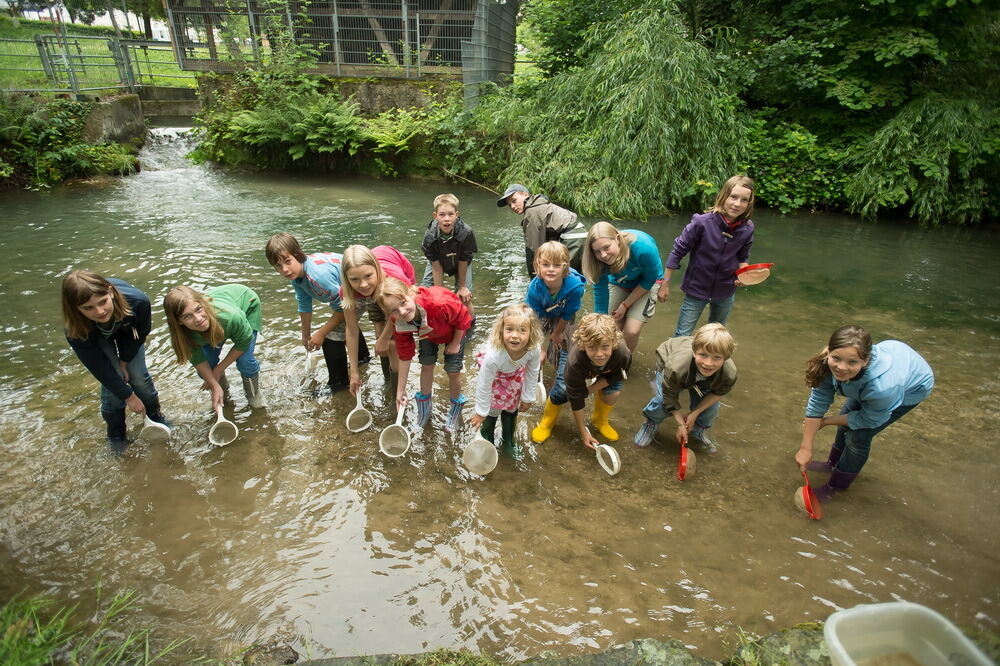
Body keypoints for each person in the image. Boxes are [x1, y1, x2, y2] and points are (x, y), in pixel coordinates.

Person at [794, 325, 934, 501]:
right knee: (847, 414)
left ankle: (836, 487)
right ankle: (832, 464)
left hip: (912, 387)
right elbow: (818, 401)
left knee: (858, 437)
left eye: (852, 362)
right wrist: (805, 447)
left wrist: (827, 421)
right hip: (894, 355)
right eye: (836, 358)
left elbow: (870, 419)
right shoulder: (829, 361)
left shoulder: (884, 388)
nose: (841, 367)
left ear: (866, 360)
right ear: (829, 352)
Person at [62, 270, 170, 452]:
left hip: (129, 332)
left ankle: (156, 417)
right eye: (88, 308)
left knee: (139, 379)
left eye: (103, 301)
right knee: (115, 384)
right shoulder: (75, 330)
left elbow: (140, 334)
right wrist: (128, 396)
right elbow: (98, 367)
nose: (99, 311)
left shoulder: (138, 302)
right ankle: (116, 434)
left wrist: (125, 360)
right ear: (75, 309)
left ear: (111, 291)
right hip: (96, 338)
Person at [265, 233, 370, 393]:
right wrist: (305, 335)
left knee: (330, 336)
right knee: (341, 326)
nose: (285, 270)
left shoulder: (318, 277)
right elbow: (304, 304)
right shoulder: (297, 276)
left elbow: (345, 308)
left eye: (288, 262)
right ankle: (363, 360)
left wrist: (321, 333)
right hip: (347, 295)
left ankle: (339, 384)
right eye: (278, 266)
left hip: (361, 288)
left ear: (298, 255)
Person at [662, 175, 756, 337]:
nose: (737, 204)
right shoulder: (702, 222)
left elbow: (743, 257)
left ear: (749, 203)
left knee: (716, 337)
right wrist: (665, 283)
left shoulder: (748, 228)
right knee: (682, 335)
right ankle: (673, 361)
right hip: (696, 288)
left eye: (744, 200)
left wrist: (744, 274)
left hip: (726, 291)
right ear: (723, 196)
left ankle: (705, 363)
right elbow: (678, 251)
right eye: (733, 197)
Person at [376, 277, 473, 432]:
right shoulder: (399, 320)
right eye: (394, 310)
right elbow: (405, 353)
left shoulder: (439, 303)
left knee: (452, 370)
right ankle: (425, 411)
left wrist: (455, 343)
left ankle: (455, 411)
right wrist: (401, 389)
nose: (402, 312)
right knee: (426, 365)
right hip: (428, 332)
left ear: (410, 293)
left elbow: (464, 317)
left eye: (403, 303)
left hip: (453, 331)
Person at [633, 323, 737, 453]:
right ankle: (651, 423)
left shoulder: (729, 373)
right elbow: (669, 396)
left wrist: (695, 413)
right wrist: (681, 424)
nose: (708, 363)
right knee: (662, 403)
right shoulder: (675, 367)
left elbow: (718, 393)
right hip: (669, 360)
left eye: (717, 357)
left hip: (694, 372)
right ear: (694, 353)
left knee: (711, 407)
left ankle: (699, 430)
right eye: (703, 355)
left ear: (725, 358)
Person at [533, 313, 631, 450]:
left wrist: (589, 390)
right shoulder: (575, 360)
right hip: (571, 351)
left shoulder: (623, 354)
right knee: (562, 390)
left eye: (605, 347)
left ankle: (599, 420)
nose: (599, 354)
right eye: (592, 347)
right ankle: (547, 422)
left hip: (605, 368)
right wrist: (583, 432)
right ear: (584, 345)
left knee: (613, 392)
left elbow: (615, 376)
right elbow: (576, 398)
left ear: (613, 343)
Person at [163, 284, 264, 410]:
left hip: (247, 304)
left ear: (203, 304)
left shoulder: (231, 317)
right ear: (178, 321)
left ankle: (253, 395)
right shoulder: (182, 337)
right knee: (207, 370)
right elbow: (199, 360)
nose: (198, 318)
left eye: (198, 309)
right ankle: (223, 398)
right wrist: (213, 383)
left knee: (245, 361)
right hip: (216, 323)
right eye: (187, 316)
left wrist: (218, 370)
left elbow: (243, 343)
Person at [525, 241, 587, 442]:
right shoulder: (534, 288)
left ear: (565, 267)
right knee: (536, 345)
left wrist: (557, 333)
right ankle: (542, 364)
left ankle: (561, 375)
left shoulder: (575, 287)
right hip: (543, 312)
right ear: (537, 266)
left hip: (564, 315)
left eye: (556, 265)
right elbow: (536, 320)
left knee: (564, 345)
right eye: (545, 265)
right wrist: (541, 348)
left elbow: (569, 312)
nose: (550, 269)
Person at [469, 304, 542, 460]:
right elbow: (484, 385)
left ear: (531, 332)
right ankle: (487, 438)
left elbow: (532, 372)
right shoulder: (494, 355)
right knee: (493, 409)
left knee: (511, 409)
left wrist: (527, 398)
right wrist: (481, 412)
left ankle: (508, 440)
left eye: (522, 330)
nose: (515, 336)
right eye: (509, 329)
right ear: (501, 331)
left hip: (515, 377)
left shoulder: (533, 349)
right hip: (495, 378)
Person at [340, 245, 415, 395]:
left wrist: (385, 338)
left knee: (393, 342)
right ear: (347, 279)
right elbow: (352, 330)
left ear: (376, 269)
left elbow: (400, 312)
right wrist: (353, 371)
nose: (363, 284)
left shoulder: (396, 278)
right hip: (378, 286)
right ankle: (388, 380)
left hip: (395, 287)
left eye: (368, 276)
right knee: (379, 332)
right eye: (354, 279)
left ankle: (396, 393)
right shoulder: (346, 291)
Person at [582, 221, 664, 352]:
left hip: (647, 282)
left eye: (607, 247)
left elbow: (648, 281)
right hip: (620, 281)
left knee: (631, 331)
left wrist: (625, 305)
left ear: (618, 239)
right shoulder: (597, 260)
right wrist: (600, 322)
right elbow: (600, 291)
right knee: (610, 326)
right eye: (597, 251)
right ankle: (609, 358)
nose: (603, 255)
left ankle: (624, 361)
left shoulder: (644, 248)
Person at [497, 183, 587, 276]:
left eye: (514, 200)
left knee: (562, 276)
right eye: (509, 204)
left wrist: (533, 277)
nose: (512, 206)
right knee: (574, 277)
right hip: (581, 235)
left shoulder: (532, 212)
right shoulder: (539, 204)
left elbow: (533, 250)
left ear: (525, 194)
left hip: (572, 238)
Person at [420, 193, 478, 316]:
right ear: (435, 216)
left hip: (461, 261)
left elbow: (463, 260)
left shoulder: (466, 233)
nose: (447, 219)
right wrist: (439, 292)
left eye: (450, 214)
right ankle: (429, 324)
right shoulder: (430, 237)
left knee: (465, 296)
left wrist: (462, 287)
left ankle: (471, 326)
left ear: (457, 215)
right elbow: (436, 267)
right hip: (438, 262)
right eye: (442, 215)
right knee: (427, 293)